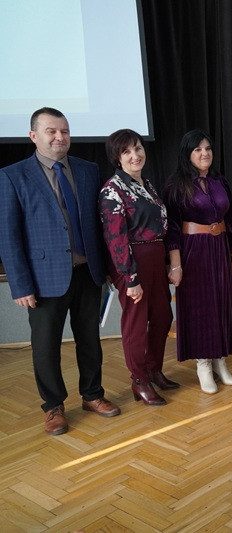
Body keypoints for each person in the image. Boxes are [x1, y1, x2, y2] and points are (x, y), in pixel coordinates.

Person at [0, 107, 120, 435]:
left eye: (64, 131)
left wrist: (108, 269)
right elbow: (8, 236)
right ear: (33, 136)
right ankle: (53, 406)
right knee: (46, 346)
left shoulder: (88, 170)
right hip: (42, 279)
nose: (59, 137)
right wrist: (20, 284)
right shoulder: (12, 176)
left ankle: (92, 395)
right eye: (51, 131)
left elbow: (101, 224)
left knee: (90, 340)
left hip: (87, 273)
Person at [99, 129, 178, 406]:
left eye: (138, 148)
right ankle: (139, 380)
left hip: (155, 258)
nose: (135, 155)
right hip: (132, 262)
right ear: (117, 158)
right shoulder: (112, 190)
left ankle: (154, 370)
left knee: (163, 317)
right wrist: (130, 277)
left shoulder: (147, 184)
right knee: (135, 324)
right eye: (127, 151)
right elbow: (115, 238)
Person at [163, 130, 232, 394]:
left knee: (222, 303)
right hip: (193, 251)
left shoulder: (220, 181)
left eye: (207, 148)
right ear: (187, 154)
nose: (204, 153)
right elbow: (171, 228)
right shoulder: (176, 185)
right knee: (200, 307)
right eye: (197, 149)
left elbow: (230, 220)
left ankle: (220, 360)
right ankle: (203, 365)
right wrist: (176, 265)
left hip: (220, 249)